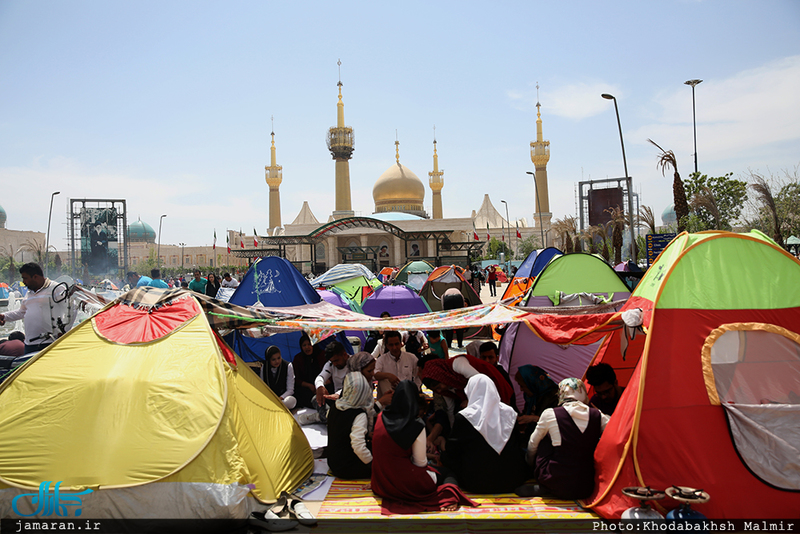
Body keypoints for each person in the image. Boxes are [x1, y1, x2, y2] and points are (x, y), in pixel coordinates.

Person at [370, 381, 476, 514]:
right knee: (447, 473)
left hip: (382, 482)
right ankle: (450, 496)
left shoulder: (381, 417)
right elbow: (420, 463)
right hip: (405, 483)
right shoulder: (415, 425)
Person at [520, 377, 610, 499]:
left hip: (554, 482)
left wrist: (530, 465)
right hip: (586, 486)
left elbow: (532, 444)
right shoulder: (598, 416)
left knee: (545, 438)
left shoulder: (550, 414)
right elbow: (613, 430)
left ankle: (545, 484)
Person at [440, 375, 530, 493]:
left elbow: (453, 450)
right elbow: (517, 443)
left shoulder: (464, 417)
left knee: (446, 457)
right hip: (512, 480)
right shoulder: (510, 413)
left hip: (476, 482)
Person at [0, 263, 68, 354]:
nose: (23, 282)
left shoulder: (56, 288)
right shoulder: (29, 293)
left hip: (49, 342)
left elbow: (72, 308)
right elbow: (22, 312)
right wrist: (4, 316)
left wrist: (65, 331)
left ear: (35, 277)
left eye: (25, 278)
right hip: (29, 344)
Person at [327, 372, 375, 480]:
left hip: (333, 462)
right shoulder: (359, 414)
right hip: (348, 468)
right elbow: (358, 446)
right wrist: (373, 466)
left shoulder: (336, 406)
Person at [420, 354, 514, 407]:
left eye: (439, 387)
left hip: (495, 385)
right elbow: (450, 408)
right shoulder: (447, 386)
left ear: (442, 377)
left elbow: (482, 382)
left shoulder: (457, 364)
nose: (439, 391)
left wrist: (469, 401)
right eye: (436, 390)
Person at [374, 331, 419, 399]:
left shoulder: (411, 358)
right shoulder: (381, 360)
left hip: (406, 399)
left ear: (401, 344)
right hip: (387, 402)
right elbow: (375, 374)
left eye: (396, 344)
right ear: (387, 345)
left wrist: (415, 390)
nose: (394, 347)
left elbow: (418, 375)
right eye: (391, 345)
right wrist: (388, 376)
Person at [515, 365, 559, 435]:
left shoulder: (554, 396)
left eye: (522, 386)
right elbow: (527, 412)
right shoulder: (531, 396)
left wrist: (535, 419)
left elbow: (557, 421)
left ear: (532, 384)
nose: (521, 389)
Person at [478, 341, 516, 410]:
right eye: (484, 357)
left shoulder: (501, 375)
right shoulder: (478, 373)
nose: (487, 361)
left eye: (490, 357)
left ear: (497, 358)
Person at [292, 333, 327, 409]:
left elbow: (330, 375)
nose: (307, 347)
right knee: (298, 392)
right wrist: (309, 386)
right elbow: (296, 379)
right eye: (304, 345)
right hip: (308, 388)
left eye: (309, 344)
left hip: (323, 385)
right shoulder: (298, 358)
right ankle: (317, 403)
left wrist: (320, 386)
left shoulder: (322, 355)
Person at [314, 341, 350, 407]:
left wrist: (339, 394)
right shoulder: (330, 365)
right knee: (316, 399)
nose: (334, 364)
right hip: (335, 398)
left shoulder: (354, 363)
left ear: (344, 355)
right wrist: (320, 386)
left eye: (336, 360)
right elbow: (320, 377)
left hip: (350, 398)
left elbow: (352, 386)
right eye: (332, 361)